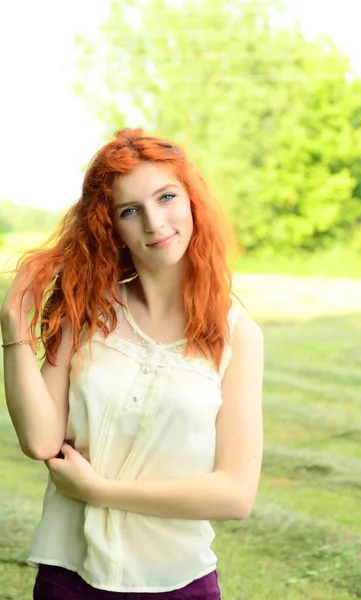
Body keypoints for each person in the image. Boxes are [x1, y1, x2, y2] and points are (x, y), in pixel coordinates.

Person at [0, 128, 264, 600]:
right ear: (110, 227)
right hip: (69, 576)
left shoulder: (238, 334)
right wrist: (14, 332)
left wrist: (101, 492)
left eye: (166, 197)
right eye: (130, 210)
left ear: (192, 202)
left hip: (180, 582)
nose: (154, 222)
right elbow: (40, 439)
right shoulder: (86, 311)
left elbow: (235, 494)